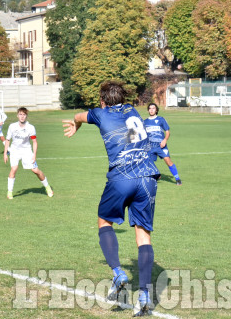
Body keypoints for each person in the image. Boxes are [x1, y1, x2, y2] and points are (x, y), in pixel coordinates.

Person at [62, 81, 160, 316]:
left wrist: (77, 125)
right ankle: (145, 295)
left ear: (103, 101)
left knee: (104, 222)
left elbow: (78, 115)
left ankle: (118, 273)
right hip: (148, 176)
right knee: (143, 235)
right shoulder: (132, 111)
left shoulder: (99, 113)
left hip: (122, 176)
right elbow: (132, 136)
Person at [3, 107, 53, 200]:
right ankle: (9, 192)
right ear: (17, 115)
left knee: (35, 170)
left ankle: (47, 187)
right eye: (20, 114)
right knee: (14, 169)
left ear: (26, 116)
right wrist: (5, 153)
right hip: (14, 150)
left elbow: (34, 142)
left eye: (24, 115)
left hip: (27, 151)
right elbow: (7, 140)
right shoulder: (12, 126)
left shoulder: (31, 128)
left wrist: (34, 155)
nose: (22, 116)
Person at [144, 103, 182, 185]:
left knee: (168, 161)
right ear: (148, 110)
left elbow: (167, 132)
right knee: (148, 162)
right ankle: (157, 174)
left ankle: (177, 178)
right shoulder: (145, 122)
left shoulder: (161, 119)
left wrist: (165, 140)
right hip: (150, 146)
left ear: (156, 110)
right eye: (150, 108)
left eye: (153, 108)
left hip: (161, 145)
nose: (151, 110)